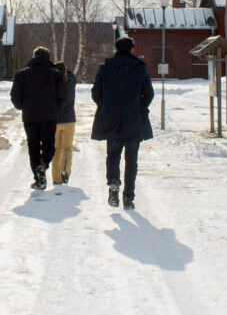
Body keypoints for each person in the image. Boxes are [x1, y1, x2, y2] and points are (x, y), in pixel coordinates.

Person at [91, 37, 154, 210]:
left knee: (112, 155)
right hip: (133, 121)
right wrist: (139, 108)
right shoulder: (139, 69)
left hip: (112, 120)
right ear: (132, 49)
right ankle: (128, 197)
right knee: (131, 159)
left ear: (116, 49)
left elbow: (96, 93)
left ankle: (113, 181)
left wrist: (105, 107)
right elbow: (148, 94)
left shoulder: (106, 68)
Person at [10, 46, 66, 190]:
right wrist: (56, 107)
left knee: (33, 146)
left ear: (34, 57)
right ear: (48, 58)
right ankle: (43, 165)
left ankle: (38, 177)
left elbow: (15, 97)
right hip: (50, 116)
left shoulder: (21, 75)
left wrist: (23, 106)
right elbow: (63, 96)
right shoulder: (56, 75)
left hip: (30, 116)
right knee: (49, 145)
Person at [51, 60, 78, 186]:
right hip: (69, 120)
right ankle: (65, 171)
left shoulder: (51, 84)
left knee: (56, 150)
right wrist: (66, 70)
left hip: (54, 121)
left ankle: (56, 179)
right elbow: (73, 76)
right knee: (67, 148)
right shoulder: (71, 83)